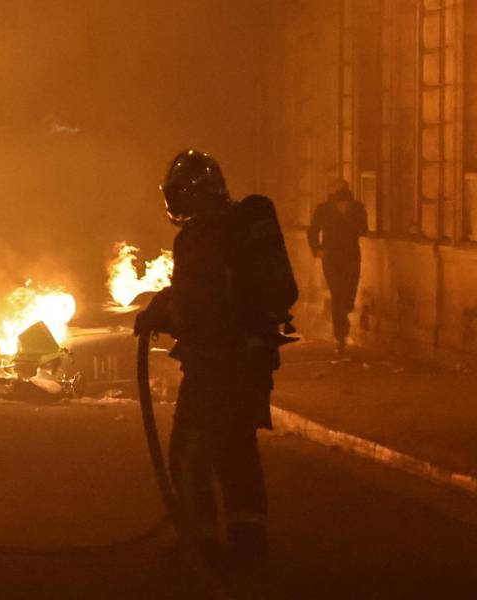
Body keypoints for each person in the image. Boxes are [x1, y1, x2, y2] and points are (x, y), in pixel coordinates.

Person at [135, 149, 297, 565]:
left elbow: (198, 304)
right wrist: (165, 305)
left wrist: (163, 313)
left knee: (189, 452)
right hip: (253, 361)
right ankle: (249, 546)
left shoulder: (199, 237)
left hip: (216, 364)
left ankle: (199, 546)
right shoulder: (240, 226)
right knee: (236, 449)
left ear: (184, 194)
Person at [308, 178, 367, 354]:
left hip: (350, 256)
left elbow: (363, 228)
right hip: (332, 257)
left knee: (348, 292)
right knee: (337, 292)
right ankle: (340, 334)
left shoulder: (357, 208)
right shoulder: (323, 209)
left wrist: (352, 222)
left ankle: (344, 318)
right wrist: (317, 249)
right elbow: (312, 230)